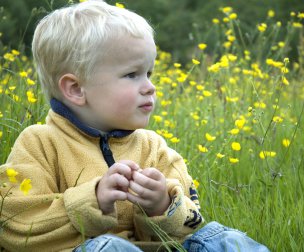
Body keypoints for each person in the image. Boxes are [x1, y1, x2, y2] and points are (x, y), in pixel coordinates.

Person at [0, 1, 269, 251]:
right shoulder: (40, 143)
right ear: (76, 89)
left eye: (149, 73)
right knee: (110, 247)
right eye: (132, 75)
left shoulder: (153, 147)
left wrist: (162, 205)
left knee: (220, 239)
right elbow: (15, 226)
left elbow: (191, 223)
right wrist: (93, 199)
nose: (150, 87)